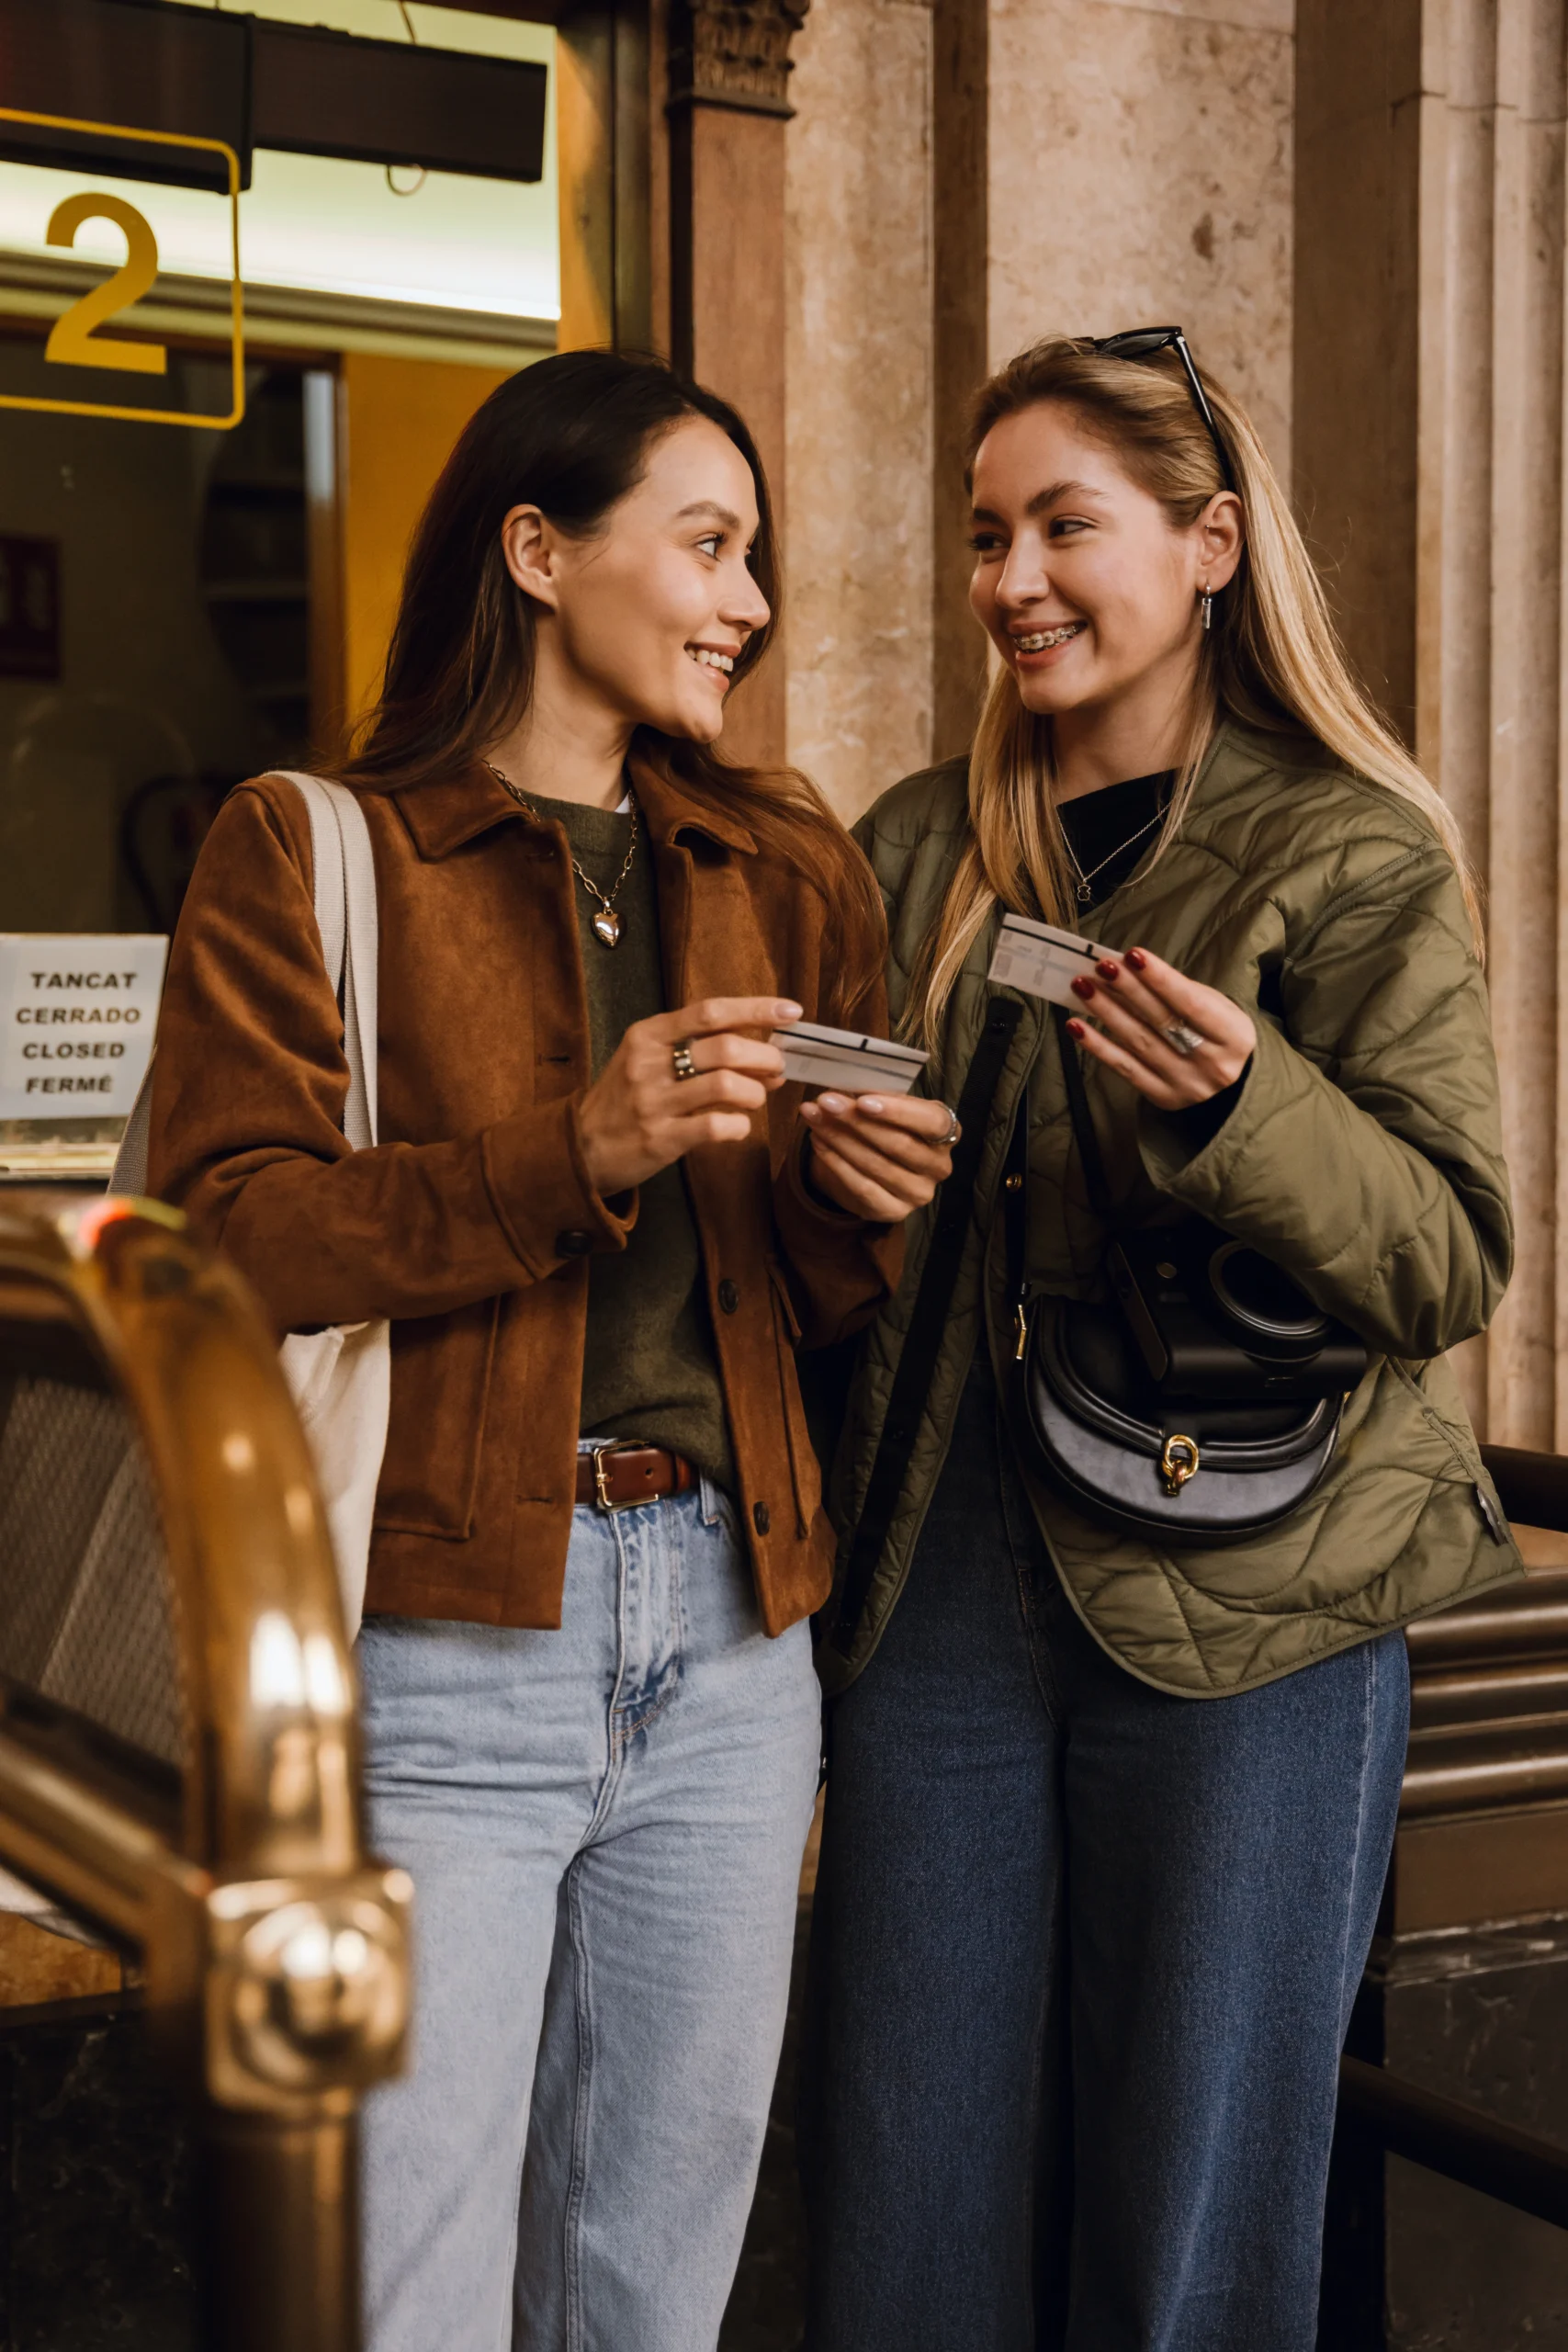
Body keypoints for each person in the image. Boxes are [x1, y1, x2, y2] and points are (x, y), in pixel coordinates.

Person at [146, 350, 954, 2352]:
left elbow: (814, 1305)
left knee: (649, 2286)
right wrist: (567, 1152)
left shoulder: (785, 862)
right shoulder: (306, 842)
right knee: (395, 2284)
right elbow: (228, 1241)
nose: (747, 600)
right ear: (535, 549)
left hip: (737, 1643)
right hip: (431, 1638)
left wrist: (860, 1199)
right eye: (704, 544)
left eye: (751, 556)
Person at [798, 330, 1522, 2352]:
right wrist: (829, 1182)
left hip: (1259, 1598)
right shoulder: (923, 840)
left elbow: (1449, 1259)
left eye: (1061, 523)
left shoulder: (1346, 847)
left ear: (1210, 546)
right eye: (981, 532)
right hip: (939, 1580)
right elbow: (831, 1235)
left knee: (1185, 2221)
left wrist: (1238, 1110)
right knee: (903, 2182)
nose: (1009, 576)